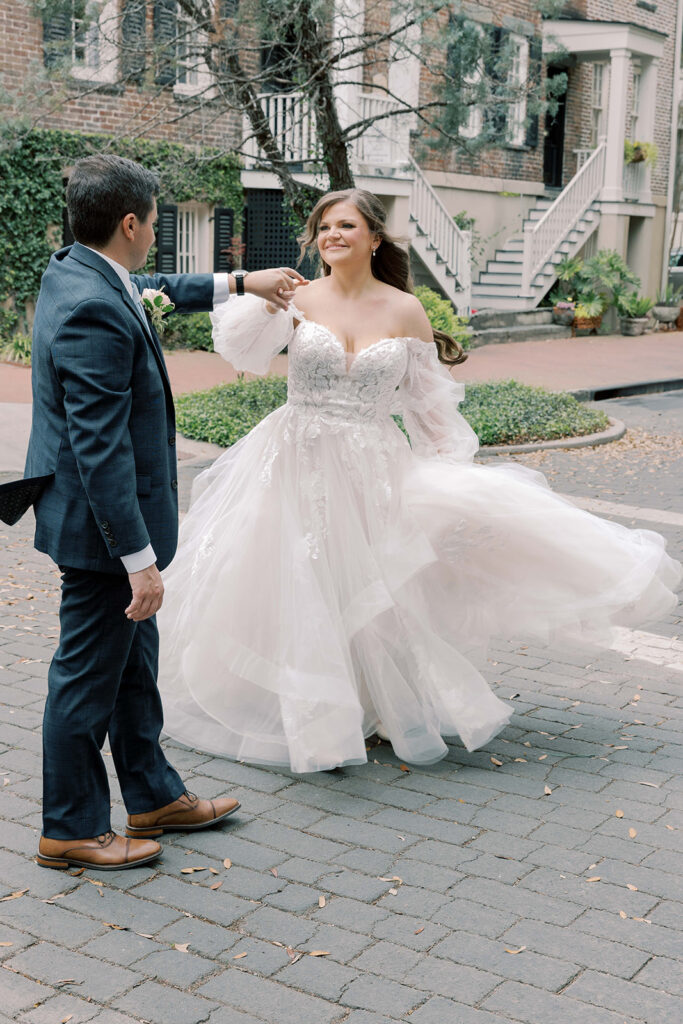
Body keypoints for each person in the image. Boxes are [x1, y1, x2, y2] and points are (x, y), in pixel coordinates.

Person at [157, 188, 680, 775]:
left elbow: (430, 411)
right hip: (295, 457)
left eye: (346, 225)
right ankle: (309, 710)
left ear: (374, 238)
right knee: (304, 578)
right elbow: (238, 350)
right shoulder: (298, 300)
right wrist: (258, 294)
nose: (332, 235)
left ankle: (370, 700)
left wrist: (449, 482)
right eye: (324, 226)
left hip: (373, 466)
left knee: (373, 583)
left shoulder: (406, 310)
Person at [26, 153, 306, 870]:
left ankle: (152, 796)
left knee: (131, 670)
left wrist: (242, 281)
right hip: (102, 534)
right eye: (155, 222)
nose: (156, 235)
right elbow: (100, 451)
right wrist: (139, 562)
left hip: (104, 525)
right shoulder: (94, 308)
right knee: (85, 680)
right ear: (130, 223)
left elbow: (150, 289)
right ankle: (71, 827)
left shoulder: (79, 271)